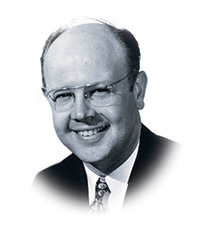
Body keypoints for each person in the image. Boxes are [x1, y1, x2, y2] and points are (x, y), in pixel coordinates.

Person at [33, 19, 179, 214]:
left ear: (137, 91)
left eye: (99, 91)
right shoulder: (47, 187)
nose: (80, 113)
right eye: (64, 95)